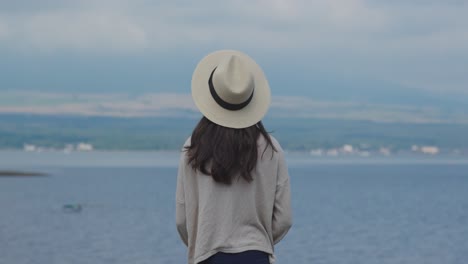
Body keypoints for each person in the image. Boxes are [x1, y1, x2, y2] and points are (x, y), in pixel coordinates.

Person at [176, 50, 292, 264]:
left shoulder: (193, 148)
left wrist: (201, 241)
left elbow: (182, 220)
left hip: (207, 255)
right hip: (256, 255)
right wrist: (259, 241)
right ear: (251, 99)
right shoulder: (271, 149)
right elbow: (284, 219)